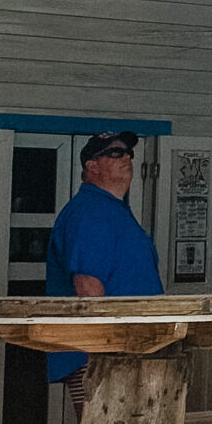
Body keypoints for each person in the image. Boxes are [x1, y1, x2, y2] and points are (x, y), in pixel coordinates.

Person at [43, 130, 163, 400]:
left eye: (129, 153)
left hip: (129, 350)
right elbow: (88, 286)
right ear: (92, 165)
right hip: (102, 356)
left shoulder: (115, 209)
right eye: (115, 153)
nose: (126, 158)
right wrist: (106, 353)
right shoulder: (90, 211)